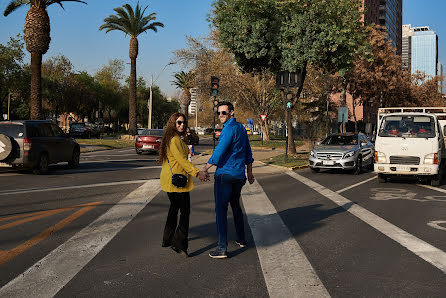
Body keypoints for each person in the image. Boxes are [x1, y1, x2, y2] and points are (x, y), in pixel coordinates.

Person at [202, 101, 255, 259]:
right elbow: (248, 152)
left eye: (223, 113)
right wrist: (250, 173)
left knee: (221, 210)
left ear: (232, 112)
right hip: (239, 176)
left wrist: (205, 168)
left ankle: (222, 248)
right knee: (236, 207)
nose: (220, 116)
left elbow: (219, 151)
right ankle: (241, 238)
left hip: (225, 175)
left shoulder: (228, 130)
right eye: (218, 113)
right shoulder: (241, 128)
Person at [159, 112, 209, 258]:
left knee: (174, 209)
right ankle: (179, 243)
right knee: (185, 212)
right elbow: (182, 161)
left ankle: (167, 239)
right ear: (173, 124)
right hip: (177, 181)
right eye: (178, 122)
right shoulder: (174, 140)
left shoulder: (177, 139)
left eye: (183, 122)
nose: (182, 125)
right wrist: (197, 173)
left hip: (173, 179)